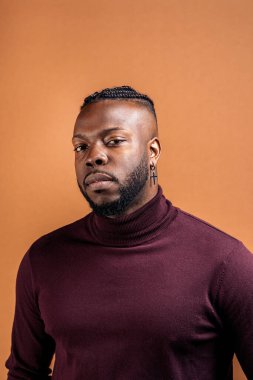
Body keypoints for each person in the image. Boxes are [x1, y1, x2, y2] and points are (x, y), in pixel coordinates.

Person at [6, 86, 253, 380]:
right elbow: (24, 373)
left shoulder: (225, 262)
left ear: (153, 152)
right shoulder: (43, 259)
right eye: (80, 146)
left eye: (115, 141)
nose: (93, 157)